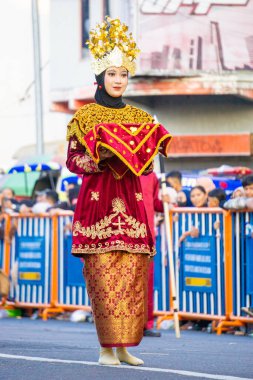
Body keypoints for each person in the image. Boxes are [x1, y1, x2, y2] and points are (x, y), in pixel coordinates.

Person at [66, 17, 171, 366]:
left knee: (132, 276)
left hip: (133, 204)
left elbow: (147, 162)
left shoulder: (140, 117)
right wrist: (100, 158)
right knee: (104, 277)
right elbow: (72, 160)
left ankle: (124, 347)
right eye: (112, 74)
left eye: (123, 75)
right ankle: (105, 348)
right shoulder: (85, 116)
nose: (118, 80)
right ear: (100, 78)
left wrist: (144, 151)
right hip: (97, 208)